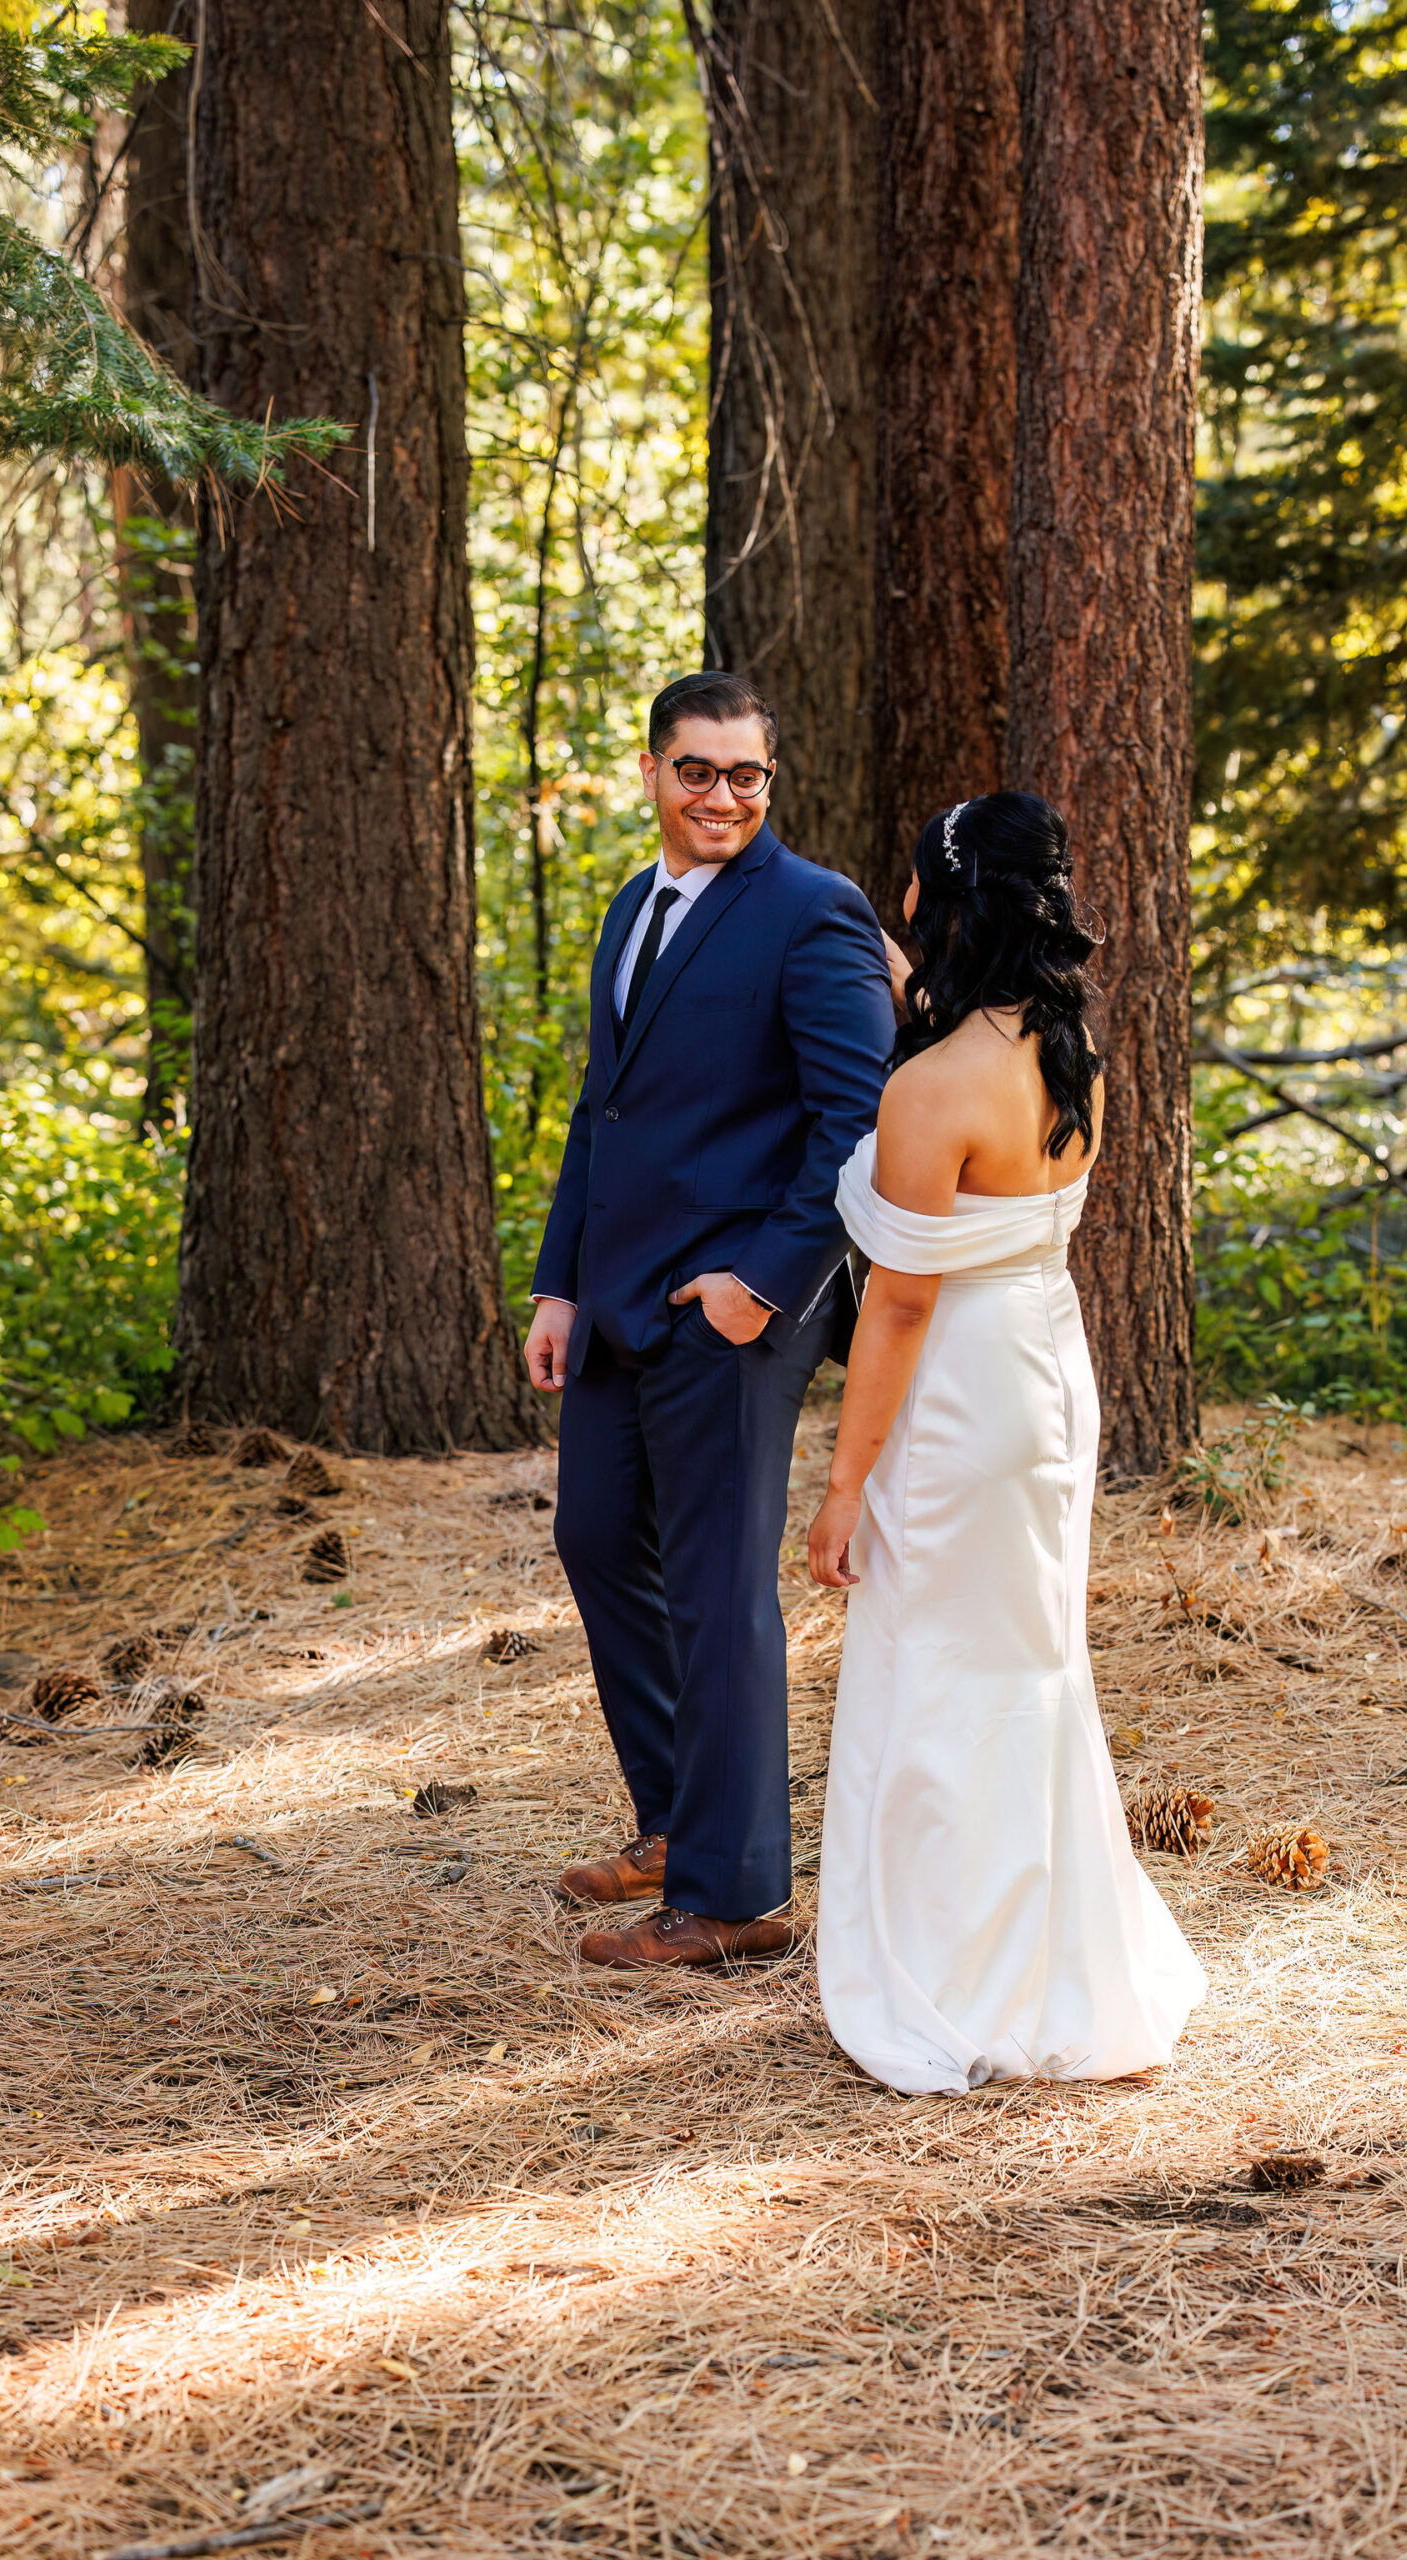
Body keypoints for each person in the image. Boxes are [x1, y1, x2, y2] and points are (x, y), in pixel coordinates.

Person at [808, 792, 1207, 2093]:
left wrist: (842, 1481)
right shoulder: (1069, 1047)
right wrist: (892, 965)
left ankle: (961, 1972)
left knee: (939, 1666)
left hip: (959, 1397)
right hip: (1050, 1370)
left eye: (913, 888)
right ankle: (1052, 1957)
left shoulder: (931, 1090)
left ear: (945, 901)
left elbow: (900, 1305)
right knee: (1030, 1665)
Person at [524, 671, 895, 1970]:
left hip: (736, 1311)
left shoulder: (814, 914)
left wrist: (764, 1282)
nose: (723, 794)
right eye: (698, 770)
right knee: (592, 1533)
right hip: (620, 1296)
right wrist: (558, 1280)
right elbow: (601, 1111)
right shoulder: (635, 906)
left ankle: (735, 1898)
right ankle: (677, 1821)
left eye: (747, 774)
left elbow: (857, 1124)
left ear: (768, 783)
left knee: (721, 1587)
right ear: (652, 773)